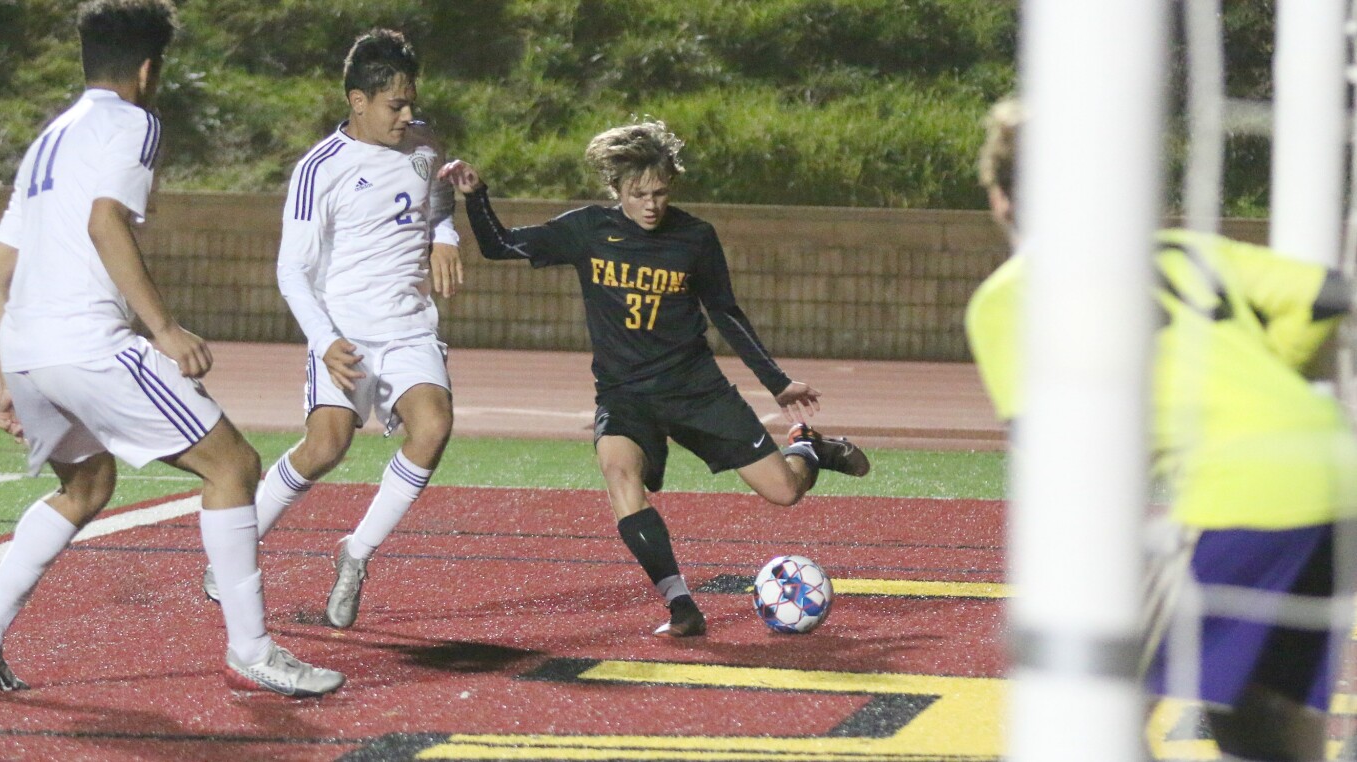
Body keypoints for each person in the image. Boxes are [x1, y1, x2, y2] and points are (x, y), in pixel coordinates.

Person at [0, 0, 343, 698]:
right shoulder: (135, 120)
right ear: (149, 68)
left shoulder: (50, 136)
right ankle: (251, 649)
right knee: (234, 465)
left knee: (86, 486)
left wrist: (12, 373)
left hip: (32, 348)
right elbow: (106, 222)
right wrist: (164, 328)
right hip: (88, 342)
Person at [965, 98, 1357, 760]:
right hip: (1336, 469)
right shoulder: (1182, 249)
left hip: (1241, 496)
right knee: (1259, 720)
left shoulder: (1012, 295)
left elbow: (1062, 454)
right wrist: (1273, 364)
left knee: (1088, 708)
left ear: (1003, 200)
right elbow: (1327, 292)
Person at [439, 120, 871, 637]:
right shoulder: (587, 230)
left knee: (784, 492)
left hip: (695, 388)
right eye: (638, 193)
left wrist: (777, 383)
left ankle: (809, 449)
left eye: (660, 192)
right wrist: (476, 195)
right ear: (616, 190)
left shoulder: (694, 237)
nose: (650, 204)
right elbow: (500, 246)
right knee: (619, 473)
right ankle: (681, 605)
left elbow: (726, 313)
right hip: (625, 395)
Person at [199, 28, 461, 630]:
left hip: (409, 329)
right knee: (326, 447)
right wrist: (325, 341)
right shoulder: (320, 168)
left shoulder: (424, 144)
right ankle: (236, 546)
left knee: (434, 426)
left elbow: (440, 194)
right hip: (343, 331)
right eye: (396, 105)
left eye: (412, 102)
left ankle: (356, 552)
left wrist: (444, 238)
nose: (408, 115)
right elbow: (291, 269)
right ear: (358, 100)